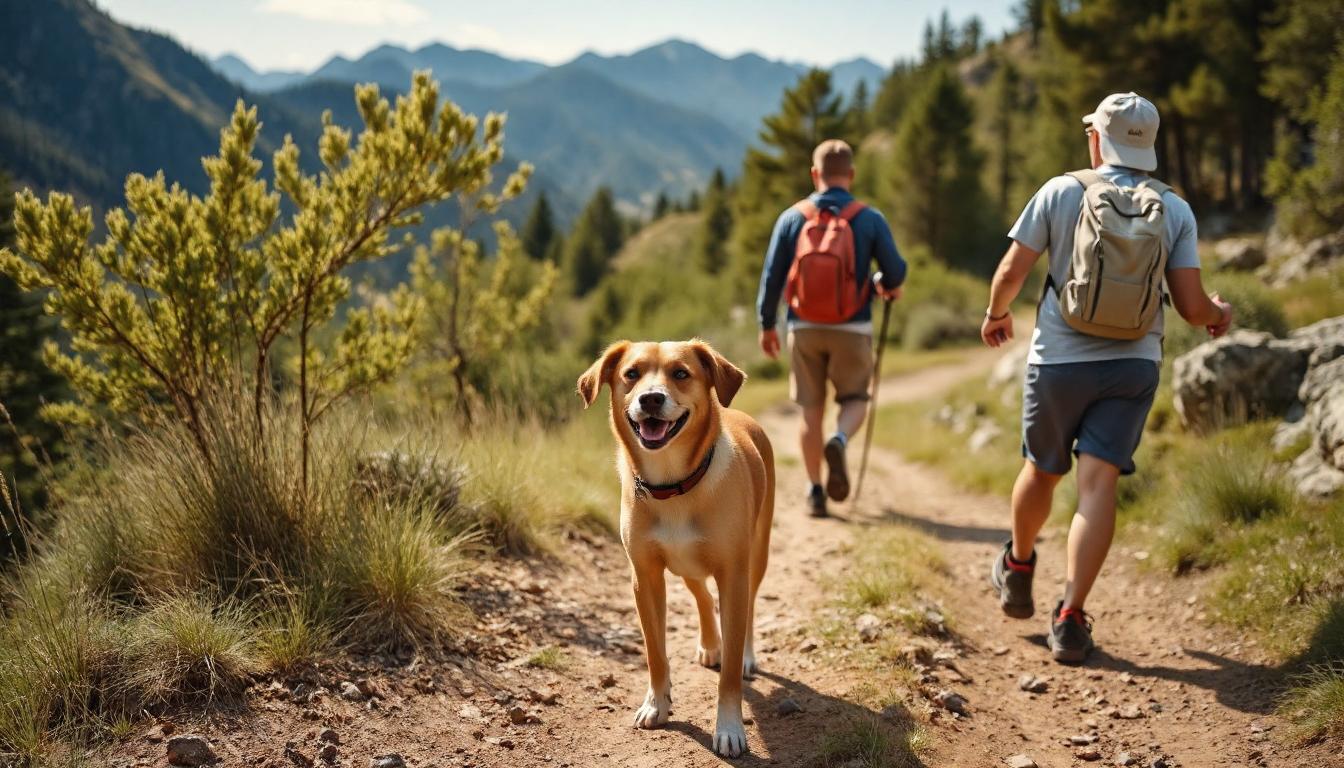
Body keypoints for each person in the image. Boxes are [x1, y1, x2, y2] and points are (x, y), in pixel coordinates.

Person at [981, 92, 1233, 663]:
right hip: (1132, 365)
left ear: (1097, 138)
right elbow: (1193, 308)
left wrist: (998, 314)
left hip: (1059, 362)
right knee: (1098, 486)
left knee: (1041, 471)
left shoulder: (1062, 190)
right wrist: (1221, 313)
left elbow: (1010, 270)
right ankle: (1071, 616)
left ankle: (1018, 564)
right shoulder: (1174, 208)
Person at [757, 139, 907, 518]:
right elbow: (897, 272)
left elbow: (772, 276)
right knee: (854, 398)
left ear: (815, 174)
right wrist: (879, 281)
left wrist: (767, 324)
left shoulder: (793, 218)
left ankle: (815, 491)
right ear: (851, 175)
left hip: (803, 326)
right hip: (853, 327)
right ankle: (839, 439)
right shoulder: (869, 218)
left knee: (810, 411)